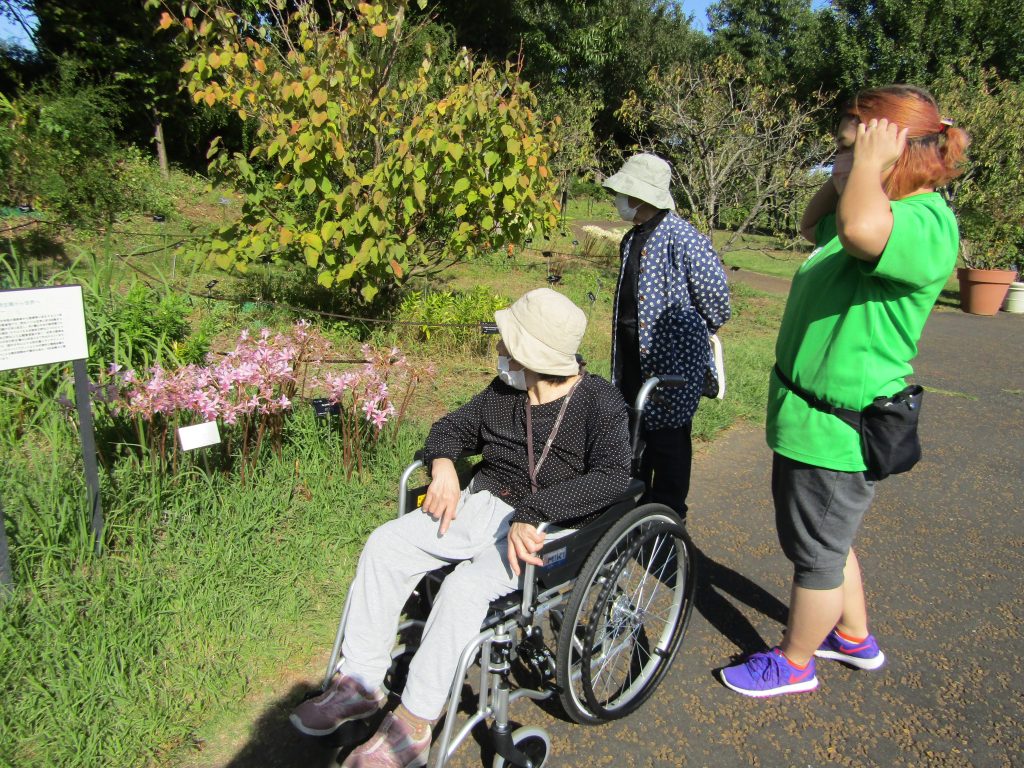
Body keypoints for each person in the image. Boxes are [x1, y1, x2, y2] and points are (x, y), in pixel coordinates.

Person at [290, 288, 632, 766]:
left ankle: (413, 724)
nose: (498, 350)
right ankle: (362, 684)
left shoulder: (599, 403)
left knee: (464, 590)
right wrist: (445, 464)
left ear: (529, 354)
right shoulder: (504, 394)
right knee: (386, 544)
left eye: (506, 343)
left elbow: (614, 475)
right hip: (481, 505)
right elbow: (451, 426)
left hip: (548, 530)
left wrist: (534, 511)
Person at [720, 85, 969, 697]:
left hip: (838, 428)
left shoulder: (925, 220)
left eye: (847, 148)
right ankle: (853, 638)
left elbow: (858, 232)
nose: (837, 160)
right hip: (814, 419)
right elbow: (814, 226)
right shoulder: (875, 203)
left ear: (896, 152)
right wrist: (849, 170)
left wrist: (865, 165)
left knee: (817, 556)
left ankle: (796, 662)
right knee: (828, 538)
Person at [602, 153, 731, 520]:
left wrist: (686, 335)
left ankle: (667, 521)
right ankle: (632, 518)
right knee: (632, 436)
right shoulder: (631, 239)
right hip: (630, 357)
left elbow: (717, 304)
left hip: (671, 363)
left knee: (668, 443)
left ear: (641, 196)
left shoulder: (685, 239)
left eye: (623, 192)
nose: (619, 200)